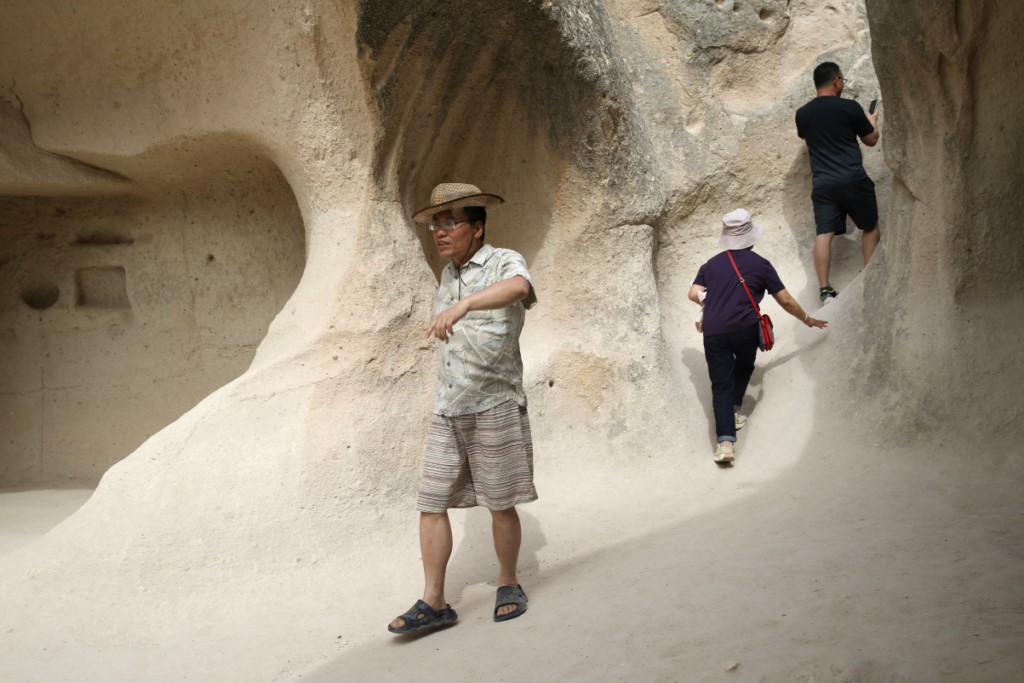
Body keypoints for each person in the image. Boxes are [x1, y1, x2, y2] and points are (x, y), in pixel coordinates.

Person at [388, 183, 539, 635]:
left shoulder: (502, 260)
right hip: (449, 407)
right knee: (431, 502)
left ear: (477, 227)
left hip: (494, 402)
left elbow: (520, 287)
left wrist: (468, 303)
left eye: (450, 221)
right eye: (436, 222)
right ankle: (435, 602)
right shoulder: (448, 275)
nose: (440, 230)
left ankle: (508, 582)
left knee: (499, 501)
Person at [689, 209, 828, 465]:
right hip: (745, 329)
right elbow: (785, 300)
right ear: (750, 237)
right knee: (743, 365)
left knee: (721, 384)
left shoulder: (710, 265)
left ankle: (726, 443)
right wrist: (807, 319)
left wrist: (712, 299)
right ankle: (733, 409)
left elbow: (693, 292)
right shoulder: (760, 265)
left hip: (714, 331)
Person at [795, 61, 881, 303]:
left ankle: (825, 290)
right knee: (870, 226)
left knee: (824, 234)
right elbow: (871, 140)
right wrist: (872, 122)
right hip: (852, 177)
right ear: (835, 80)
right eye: (842, 80)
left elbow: (806, 135)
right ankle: (869, 277)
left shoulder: (803, 114)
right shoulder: (850, 108)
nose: (842, 83)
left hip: (823, 182)